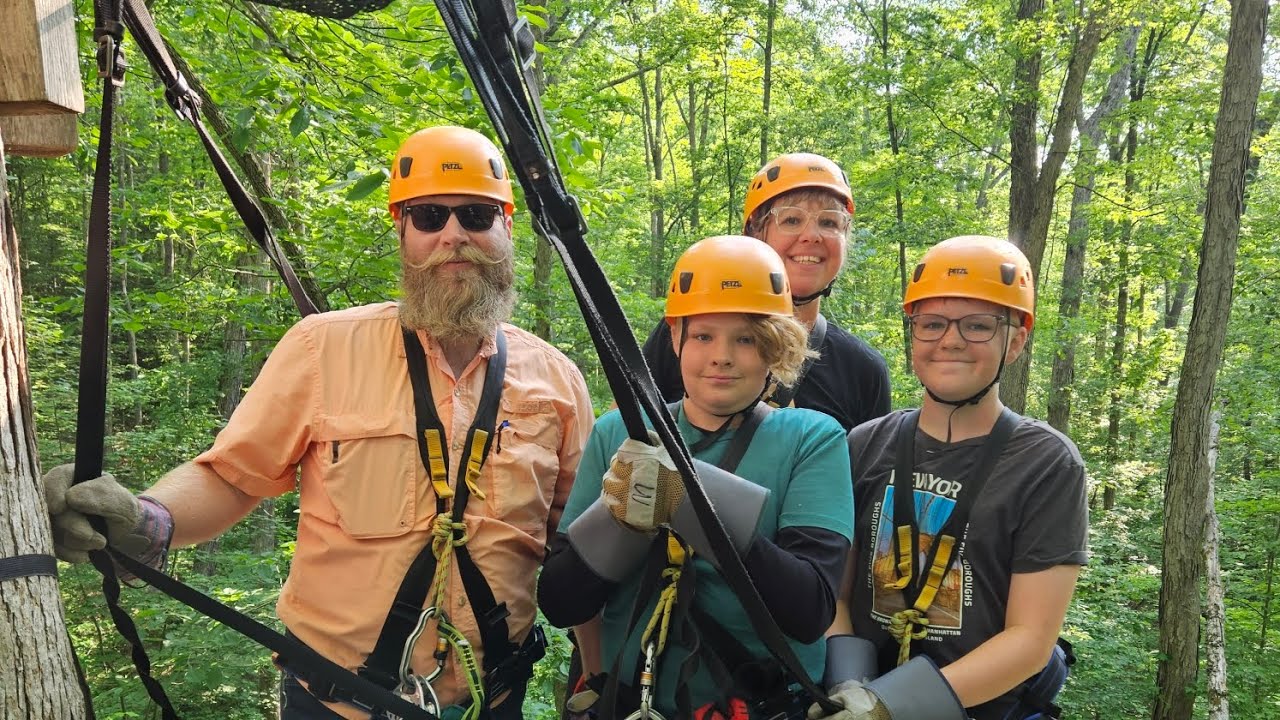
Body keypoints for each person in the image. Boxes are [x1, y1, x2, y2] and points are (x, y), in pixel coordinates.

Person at [42, 125, 596, 720]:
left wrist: (600, 675)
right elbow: (233, 476)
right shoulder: (322, 349)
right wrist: (148, 522)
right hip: (332, 705)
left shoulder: (557, 384)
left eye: (477, 215)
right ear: (402, 232)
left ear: (506, 228)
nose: (454, 235)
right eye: (430, 216)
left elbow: (581, 553)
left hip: (494, 703)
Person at [539, 235, 854, 719]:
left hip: (755, 703)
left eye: (746, 339)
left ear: (776, 346)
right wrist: (618, 521)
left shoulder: (811, 438)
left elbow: (809, 609)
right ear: (675, 336)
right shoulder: (620, 433)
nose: (721, 356)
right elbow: (561, 602)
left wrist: (686, 496)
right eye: (703, 335)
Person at [812, 236, 1088, 720]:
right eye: (932, 324)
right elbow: (835, 589)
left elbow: (1030, 639)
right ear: (913, 333)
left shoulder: (1046, 463)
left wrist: (888, 707)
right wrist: (850, 686)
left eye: (978, 326)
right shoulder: (863, 444)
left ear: (1017, 339)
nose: (951, 340)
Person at [641, 153, 890, 433]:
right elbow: (625, 435)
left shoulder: (861, 370)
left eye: (830, 222)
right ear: (755, 233)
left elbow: (867, 473)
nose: (812, 235)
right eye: (792, 220)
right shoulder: (688, 332)